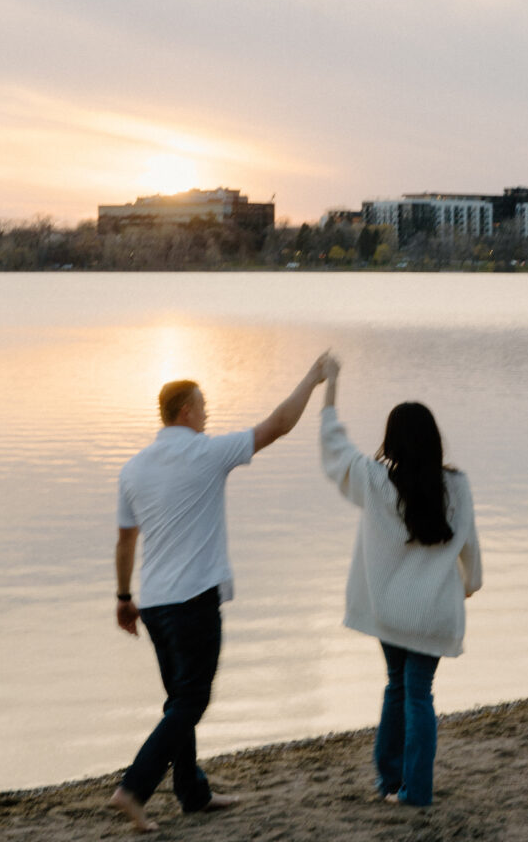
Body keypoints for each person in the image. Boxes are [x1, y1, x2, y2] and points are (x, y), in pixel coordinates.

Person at [110, 354, 328, 832]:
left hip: (155, 605)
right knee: (191, 701)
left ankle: (192, 794)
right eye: (203, 406)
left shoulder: (133, 469)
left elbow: (126, 540)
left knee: (178, 702)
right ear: (186, 411)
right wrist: (312, 377)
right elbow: (279, 425)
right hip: (193, 602)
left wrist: (124, 598)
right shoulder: (207, 452)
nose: (207, 414)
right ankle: (133, 789)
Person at [319, 355, 482, 808]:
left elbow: (334, 448)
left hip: (390, 609)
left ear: (390, 440)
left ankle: (393, 781)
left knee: (397, 686)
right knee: (417, 694)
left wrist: (330, 384)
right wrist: (472, 582)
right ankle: (409, 787)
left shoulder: (374, 480)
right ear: (434, 441)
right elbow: (470, 543)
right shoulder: (458, 485)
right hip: (435, 612)